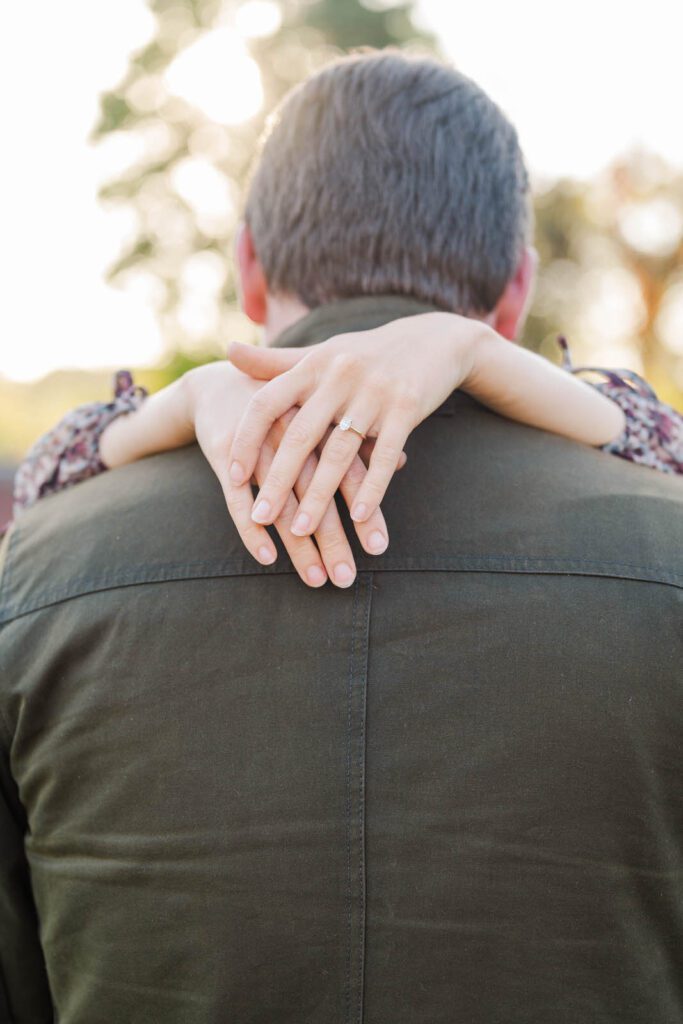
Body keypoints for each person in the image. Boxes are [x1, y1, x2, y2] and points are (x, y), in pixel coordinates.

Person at [1, 50, 681, 1023]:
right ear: (516, 289)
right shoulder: (664, 544)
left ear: (246, 265)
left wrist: (144, 419)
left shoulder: (42, 562)